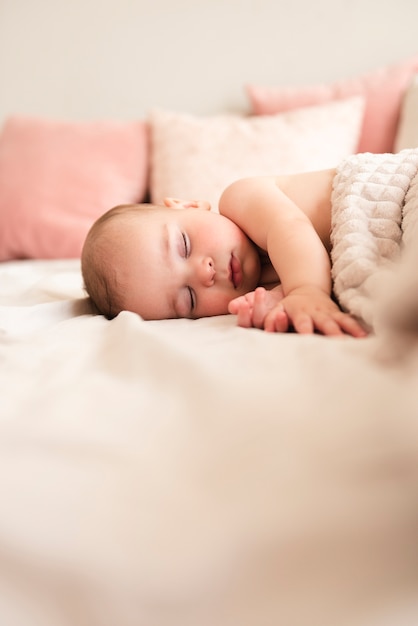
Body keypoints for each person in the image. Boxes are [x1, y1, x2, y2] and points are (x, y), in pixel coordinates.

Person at [81, 169, 367, 337]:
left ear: (189, 205)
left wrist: (305, 290)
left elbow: (290, 229)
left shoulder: (240, 198)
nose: (203, 272)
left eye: (183, 246)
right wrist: (276, 303)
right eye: (189, 298)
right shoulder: (258, 287)